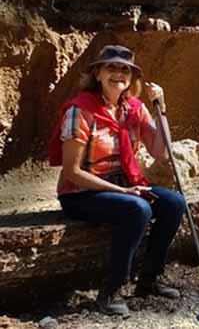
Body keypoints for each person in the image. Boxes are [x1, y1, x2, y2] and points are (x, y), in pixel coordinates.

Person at [48, 45, 185, 316]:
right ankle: (112, 289)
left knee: (174, 202)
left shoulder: (134, 108)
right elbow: (73, 171)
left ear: (132, 78)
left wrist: (161, 109)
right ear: (97, 73)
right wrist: (124, 191)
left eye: (125, 69)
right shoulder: (80, 111)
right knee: (138, 208)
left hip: (125, 187)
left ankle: (150, 279)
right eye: (111, 67)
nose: (119, 74)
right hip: (81, 193)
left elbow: (160, 153)